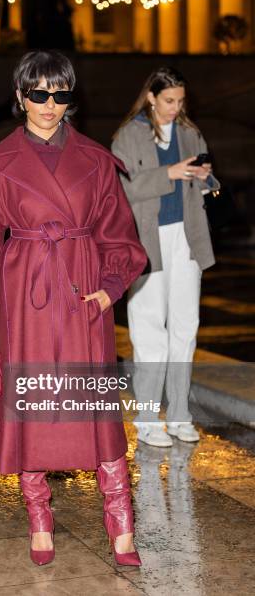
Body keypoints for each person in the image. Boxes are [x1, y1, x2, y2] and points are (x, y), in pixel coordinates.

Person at [0, 50, 147, 567]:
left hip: (83, 299)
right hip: (23, 301)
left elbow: (120, 236)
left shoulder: (98, 162)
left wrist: (109, 288)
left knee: (97, 407)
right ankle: (39, 519)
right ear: (20, 97)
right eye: (39, 93)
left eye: (60, 95)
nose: (50, 105)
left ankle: (121, 525)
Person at [111, 67, 221, 448]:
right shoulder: (128, 135)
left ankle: (179, 415)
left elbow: (205, 181)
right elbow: (121, 188)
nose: (175, 108)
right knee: (148, 330)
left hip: (187, 239)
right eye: (169, 100)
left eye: (180, 101)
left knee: (185, 328)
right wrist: (169, 173)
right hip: (146, 241)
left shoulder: (190, 133)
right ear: (152, 97)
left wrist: (205, 178)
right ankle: (146, 418)